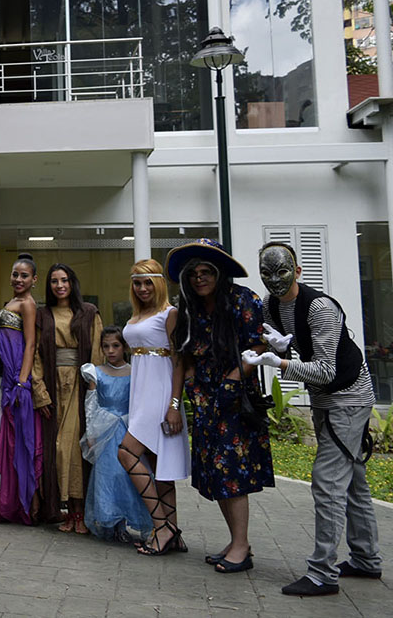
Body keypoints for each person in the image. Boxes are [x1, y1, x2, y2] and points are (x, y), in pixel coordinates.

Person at [247, 242, 382, 596]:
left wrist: (280, 363)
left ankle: (322, 573)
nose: (274, 279)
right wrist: (279, 347)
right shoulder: (269, 306)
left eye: (281, 271)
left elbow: (325, 369)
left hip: (348, 397)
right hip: (324, 398)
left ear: (298, 271)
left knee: (327, 482)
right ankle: (366, 559)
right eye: (266, 273)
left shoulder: (320, 307)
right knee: (352, 480)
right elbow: (293, 348)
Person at [167, 238, 272, 570]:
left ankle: (241, 547)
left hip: (235, 398)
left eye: (206, 272)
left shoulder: (244, 300)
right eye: (194, 273)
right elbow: (185, 353)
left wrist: (231, 380)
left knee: (233, 474)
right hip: (205, 400)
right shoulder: (191, 307)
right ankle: (236, 542)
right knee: (217, 473)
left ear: (220, 273)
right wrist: (189, 390)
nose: (200, 278)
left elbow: (257, 348)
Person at [119, 258, 190, 556]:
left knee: (127, 452)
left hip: (161, 395)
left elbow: (180, 362)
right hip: (140, 391)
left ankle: (161, 527)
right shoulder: (137, 314)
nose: (143, 287)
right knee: (158, 466)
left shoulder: (169, 314)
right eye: (138, 282)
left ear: (160, 283)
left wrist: (174, 405)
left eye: (149, 281)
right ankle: (173, 534)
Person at [35, 262, 103, 532]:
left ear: (72, 283)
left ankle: (80, 511)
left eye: (64, 280)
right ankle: (61, 507)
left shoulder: (88, 312)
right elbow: (37, 357)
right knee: (56, 447)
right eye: (54, 281)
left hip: (81, 385)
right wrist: (40, 393)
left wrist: (93, 391)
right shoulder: (42, 315)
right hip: (53, 386)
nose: (60, 285)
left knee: (75, 446)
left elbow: (97, 353)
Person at [80, 327, 152, 543]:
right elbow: (90, 404)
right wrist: (91, 432)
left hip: (129, 430)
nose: (110, 351)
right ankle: (111, 522)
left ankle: (130, 520)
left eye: (116, 345)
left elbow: (140, 404)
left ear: (125, 347)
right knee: (107, 476)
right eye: (106, 346)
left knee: (127, 476)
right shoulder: (96, 372)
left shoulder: (135, 372)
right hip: (104, 432)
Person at [0, 253, 42, 524]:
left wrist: (22, 382)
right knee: (7, 440)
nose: (18, 279)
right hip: (5, 374)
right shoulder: (10, 302)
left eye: (24, 275)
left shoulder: (28, 304)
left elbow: (30, 344)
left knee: (19, 441)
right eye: (15, 274)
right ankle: (6, 503)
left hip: (17, 379)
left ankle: (22, 505)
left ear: (34, 279)